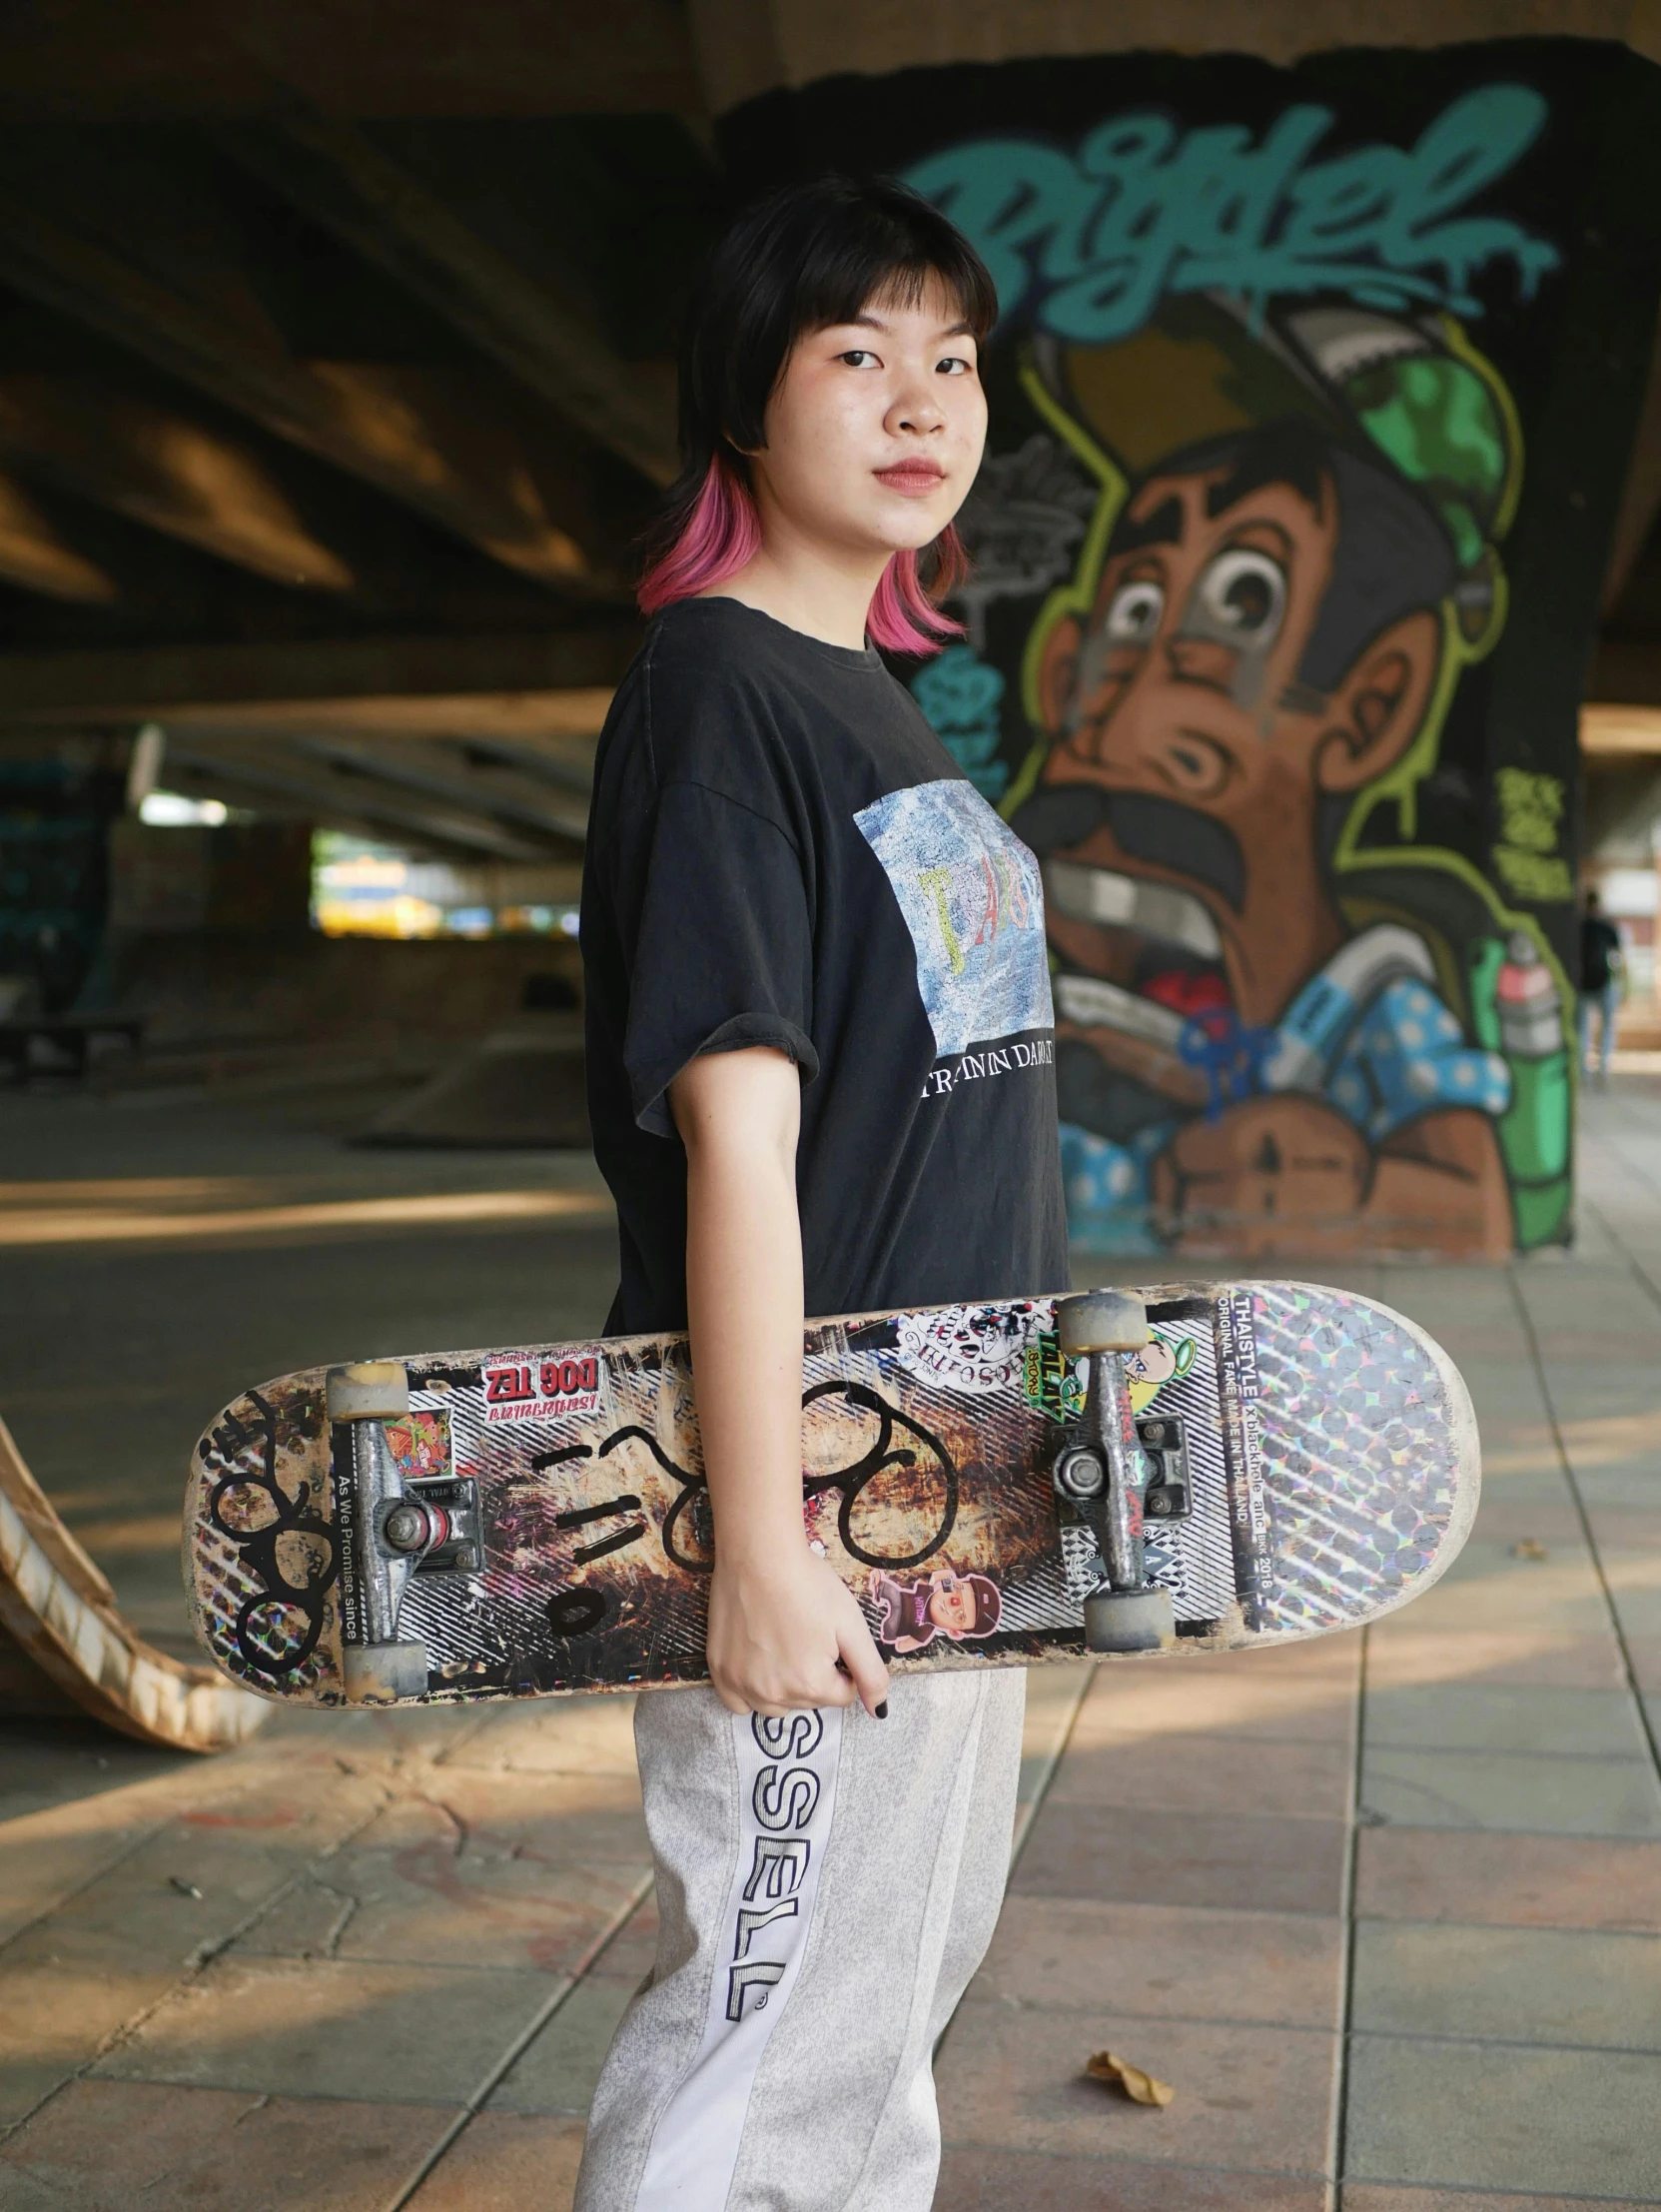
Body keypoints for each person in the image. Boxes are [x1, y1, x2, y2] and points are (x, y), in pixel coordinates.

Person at [574, 177, 1067, 2212]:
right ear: (742, 403)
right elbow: (743, 1149)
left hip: (949, 1457)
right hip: (830, 1480)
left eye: (947, 359)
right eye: (854, 353)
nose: (917, 398)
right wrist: (769, 1535)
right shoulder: (715, 700)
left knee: (872, 2011)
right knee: (763, 2041)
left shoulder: (867, 694)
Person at [1579, 888, 1624, 1082]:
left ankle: (1589, 1069)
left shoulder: (1582, 926)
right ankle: (1600, 1068)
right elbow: (1617, 957)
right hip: (1599, 983)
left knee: (1585, 1029)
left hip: (1589, 984)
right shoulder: (1605, 926)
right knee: (1600, 1029)